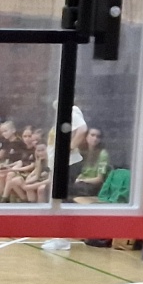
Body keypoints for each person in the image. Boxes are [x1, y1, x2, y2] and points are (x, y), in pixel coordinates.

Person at [41, 105, 88, 252]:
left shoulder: (70, 110)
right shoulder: (61, 115)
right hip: (59, 165)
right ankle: (58, 235)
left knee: (62, 201)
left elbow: (83, 129)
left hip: (68, 164)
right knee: (56, 201)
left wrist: (68, 148)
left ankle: (63, 239)